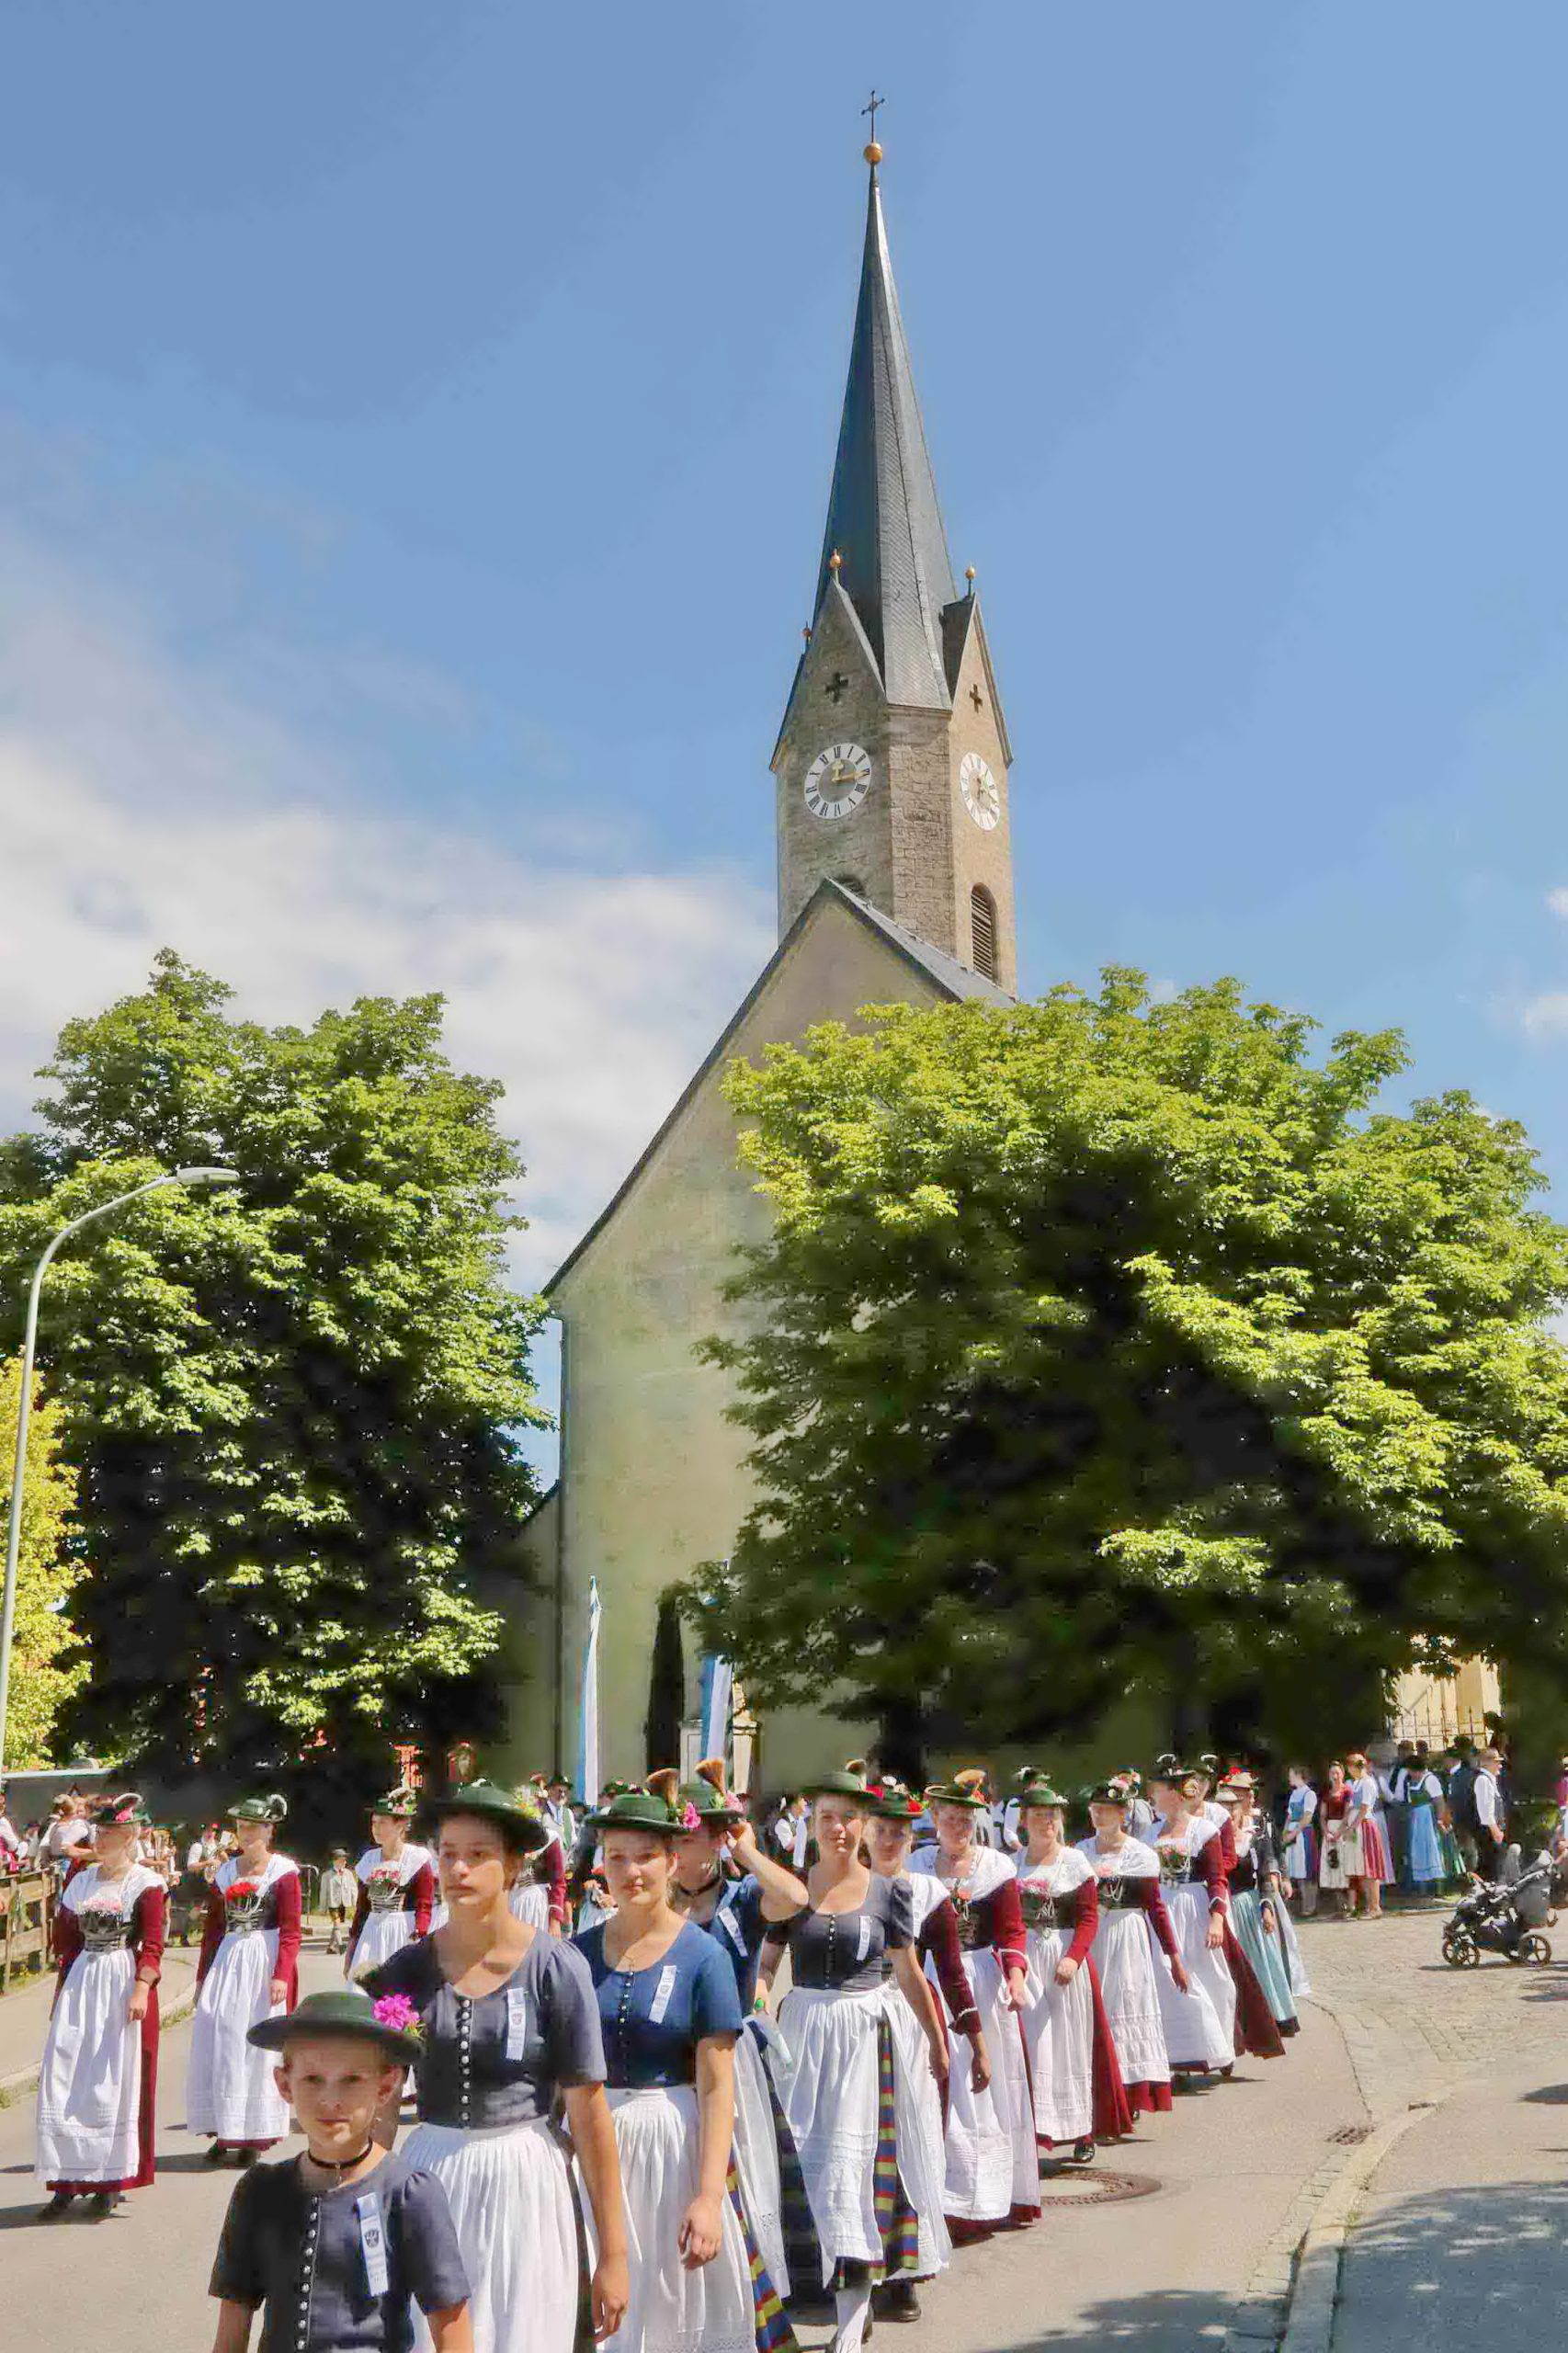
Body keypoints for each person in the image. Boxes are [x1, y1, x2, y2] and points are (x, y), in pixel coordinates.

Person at [364, 1779, 628, 2353]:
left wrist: (613, 2255)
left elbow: (589, 2118)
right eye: (448, 1854)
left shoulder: (556, 1967)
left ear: (512, 1866)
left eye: (478, 1854)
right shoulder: (406, 1970)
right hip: (430, 2176)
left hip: (526, 2180)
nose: (459, 1869)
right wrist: (360, 2211)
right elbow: (379, 2108)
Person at [574, 1784, 796, 2353]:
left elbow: (717, 2087)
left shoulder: (703, 1956)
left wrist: (708, 2197)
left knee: (670, 2307)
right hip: (593, 2147)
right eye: (617, 1857)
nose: (631, 1871)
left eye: (645, 1856)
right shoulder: (576, 1953)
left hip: (671, 2147)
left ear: (671, 1862)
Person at [771, 1767, 951, 2353]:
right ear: (812, 1824)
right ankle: (822, 2294)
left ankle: (852, 2314)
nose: (838, 1829)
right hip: (803, 2034)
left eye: (849, 1818)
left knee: (855, 2170)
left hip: (862, 2038)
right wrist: (755, 2012)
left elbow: (909, 1972)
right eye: (827, 1817)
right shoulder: (792, 1890)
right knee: (805, 2166)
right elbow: (766, 1966)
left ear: (864, 1825)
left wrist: (938, 2040)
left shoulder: (887, 1892)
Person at [209, 1989, 472, 2353]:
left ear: (385, 2086)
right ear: (284, 2084)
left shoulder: (407, 2194)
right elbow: (229, 2336)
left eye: (351, 2080)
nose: (330, 2100)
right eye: (312, 2079)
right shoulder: (260, 2192)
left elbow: (454, 2336)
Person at [663, 1761, 813, 2308]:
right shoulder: (658, 1905)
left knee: (741, 2177)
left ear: (716, 1839)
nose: (679, 1848)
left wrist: (747, 1850)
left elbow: (795, 1898)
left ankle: (749, 2293)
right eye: (673, 1838)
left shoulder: (743, 1897)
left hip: (732, 2056)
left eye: (690, 1836)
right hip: (672, 2061)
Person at [862, 1775, 984, 2324]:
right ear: (865, 1833)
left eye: (900, 1833)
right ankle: (854, 2267)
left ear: (912, 1839)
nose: (890, 1841)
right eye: (881, 1830)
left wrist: (972, 2038)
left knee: (908, 2145)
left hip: (910, 2024)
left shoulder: (930, 1894)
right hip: (854, 2026)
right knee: (859, 2145)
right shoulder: (843, 1888)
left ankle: (904, 2273)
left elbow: (952, 1972)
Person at [911, 1770, 1039, 2241]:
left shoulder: (996, 1868)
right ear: (934, 1818)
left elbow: (1012, 1931)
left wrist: (1016, 1976)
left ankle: (986, 2196)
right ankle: (939, 2195)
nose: (958, 1828)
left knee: (982, 2086)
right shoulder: (916, 1864)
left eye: (966, 1820)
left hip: (979, 1980)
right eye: (950, 1819)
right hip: (927, 1979)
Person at [35, 1792, 165, 2218]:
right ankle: (65, 2181)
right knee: (67, 2074)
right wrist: (63, 1989)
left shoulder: (145, 1884)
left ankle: (108, 2182)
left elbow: (153, 1943)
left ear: (129, 1837)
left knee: (113, 2078)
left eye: (110, 1832)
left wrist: (141, 1988)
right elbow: (66, 1940)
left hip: (119, 1980)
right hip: (82, 1981)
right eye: (99, 1831)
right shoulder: (81, 1881)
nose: (101, 1839)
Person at [1013, 1777, 1132, 2157]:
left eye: (1052, 1815)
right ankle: (1035, 2130)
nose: (1046, 1822)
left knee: (1071, 2044)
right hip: (1027, 1961)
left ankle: (1082, 2131)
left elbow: (1088, 1918)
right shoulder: (1012, 1865)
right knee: (1034, 2046)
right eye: (1038, 1815)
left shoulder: (1075, 1862)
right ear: (1024, 1821)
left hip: (1066, 1960)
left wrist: (1073, 1957)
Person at [187, 1794, 301, 2164]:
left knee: (255, 2044)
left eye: (253, 1827)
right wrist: (202, 1978)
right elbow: (213, 1929)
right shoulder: (225, 1873)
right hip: (229, 1958)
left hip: (263, 1958)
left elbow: (291, 1930)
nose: (246, 1834)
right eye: (241, 1827)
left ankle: (253, 2135)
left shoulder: (282, 1872)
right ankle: (225, 2129)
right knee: (221, 2036)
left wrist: (281, 1975)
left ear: (269, 1831)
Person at [1075, 1776, 1181, 2115]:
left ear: (1123, 1813)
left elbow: (1156, 1908)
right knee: (1091, 2008)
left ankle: (1129, 2092)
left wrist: (1173, 1956)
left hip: (1126, 1936)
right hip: (1091, 1938)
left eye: (1107, 1809)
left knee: (1124, 2005)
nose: (1099, 1815)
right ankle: (1096, 2092)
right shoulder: (1079, 1853)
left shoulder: (1139, 1854)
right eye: (1095, 1809)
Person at [1213, 1775, 1298, 2037]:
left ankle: (1271, 2016)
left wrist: (1267, 1908)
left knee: (1261, 1963)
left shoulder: (1253, 1839)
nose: (1230, 1815)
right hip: (1223, 1907)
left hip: (1248, 1906)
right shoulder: (1210, 1844)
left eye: (1233, 1809)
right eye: (1224, 1811)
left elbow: (1264, 1874)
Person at [347, 1789, 437, 1981]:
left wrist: (420, 1935)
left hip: (403, 1932)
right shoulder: (369, 1860)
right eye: (374, 1823)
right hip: (372, 1932)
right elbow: (362, 1909)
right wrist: (352, 1947)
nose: (376, 1828)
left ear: (400, 1825)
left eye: (383, 1823)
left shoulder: (417, 1859)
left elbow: (424, 1904)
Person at [1345, 1754, 1392, 1918]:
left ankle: (1375, 1907)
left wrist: (1353, 1826)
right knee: (1362, 1868)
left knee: (1371, 1866)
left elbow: (1364, 1808)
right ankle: (1367, 1905)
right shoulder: (1356, 1783)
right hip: (1357, 1826)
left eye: (1350, 1767)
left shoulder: (1368, 1782)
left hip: (1366, 1825)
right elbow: (1351, 1807)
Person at [1396, 1755, 1447, 1895]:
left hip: (1428, 1819)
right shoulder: (1410, 1782)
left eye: (1411, 1771)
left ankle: (1439, 1888)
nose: (1410, 1774)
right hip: (1416, 1820)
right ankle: (1422, 1887)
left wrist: (1440, 1820)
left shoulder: (1430, 1780)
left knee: (1432, 1849)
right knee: (1418, 1850)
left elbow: (1439, 1802)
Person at [1317, 1762, 1355, 1915]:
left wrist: (1339, 1832)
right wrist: (1326, 1832)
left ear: (1342, 1774)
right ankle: (1340, 1905)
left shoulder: (1347, 1792)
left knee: (1345, 1865)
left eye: (1337, 1773)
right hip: (1330, 1830)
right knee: (1332, 1865)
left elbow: (1347, 1814)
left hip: (1342, 1829)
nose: (1335, 1776)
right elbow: (1322, 1816)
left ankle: (1351, 1904)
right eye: (1332, 1773)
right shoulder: (1327, 1794)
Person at [1281, 1767, 1319, 1916]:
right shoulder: (1294, 1794)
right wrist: (1285, 1832)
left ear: (1299, 1775)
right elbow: (1289, 1816)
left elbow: (1307, 1817)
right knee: (1295, 1869)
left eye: (1291, 1775)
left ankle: (1310, 1906)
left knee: (1306, 1869)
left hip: (1303, 1834)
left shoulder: (1309, 1794)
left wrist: (1293, 1833)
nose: (1289, 1778)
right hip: (1293, 1833)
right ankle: (1301, 1905)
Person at [1472, 1746, 1507, 1880]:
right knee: (1491, 1868)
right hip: (1488, 1832)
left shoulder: (1490, 1780)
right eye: (1497, 1762)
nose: (1500, 1766)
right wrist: (1495, 1831)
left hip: (1493, 1831)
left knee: (1495, 1866)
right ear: (1487, 1763)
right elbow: (1485, 1810)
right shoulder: (1483, 1780)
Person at [322, 1849, 358, 1955]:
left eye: (345, 1860)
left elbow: (353, 1888)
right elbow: (323, 1892)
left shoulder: (348, 1873)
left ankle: (330, 1947)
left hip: (343, 1903)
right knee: (336, 1923)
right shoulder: (327, 1875)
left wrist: (354, 1902)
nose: (345, 1862)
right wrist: (323, 1907)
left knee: (336, 1925)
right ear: (335, 1861)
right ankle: (341, 1945)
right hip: (332, 1904)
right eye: (342, 1860)